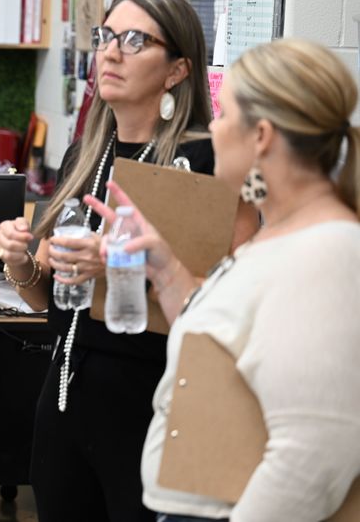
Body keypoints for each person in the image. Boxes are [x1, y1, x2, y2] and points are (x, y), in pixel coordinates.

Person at [0, 0, 255, 522]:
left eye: (135, 40)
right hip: (65, 396)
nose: (110, 53)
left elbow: (241, 303)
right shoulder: (86, 156)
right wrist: (21, 264)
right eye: (106, 36)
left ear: (178, 70)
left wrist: (124, 266)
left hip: (153, 403)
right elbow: (51, 297)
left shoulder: (205, 158)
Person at [82, 38, 360, 521]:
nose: (213, 128)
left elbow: (313, 453)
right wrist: (166, 268)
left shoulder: (327, 252)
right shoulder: (279, 236)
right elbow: (225, 352)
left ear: (263, 137)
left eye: (224, 114)